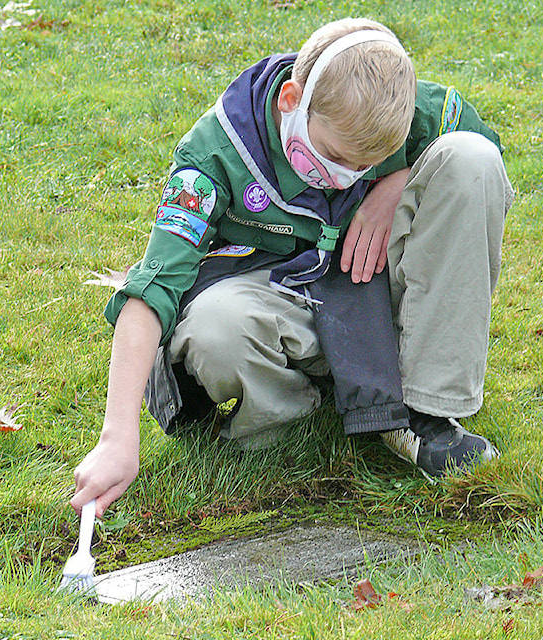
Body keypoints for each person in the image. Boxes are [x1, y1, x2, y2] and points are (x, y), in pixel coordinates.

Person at [70, 18, 515, 517]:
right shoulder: (214, 154)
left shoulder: (395, 111)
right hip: (276, 300)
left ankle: (424, 411)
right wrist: (117, 436)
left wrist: (396, 179)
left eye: (364, 165)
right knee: (217, 329)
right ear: (290, 99)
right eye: (332, 156)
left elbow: (484, 143)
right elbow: (152, 289)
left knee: (471, 161)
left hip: (364, 278)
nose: (343, 177)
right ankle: (293, 415)